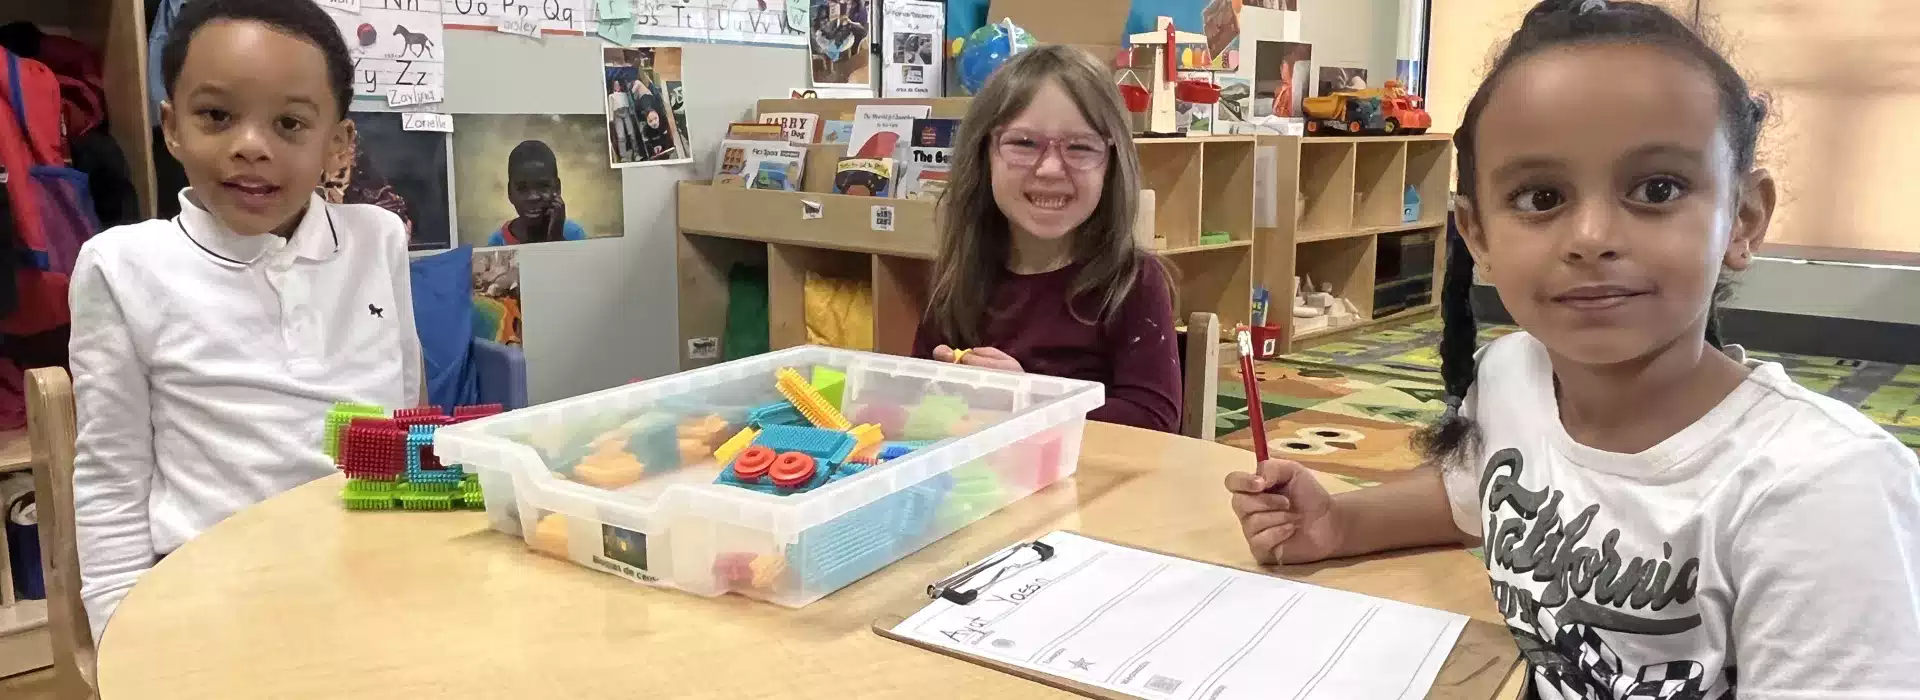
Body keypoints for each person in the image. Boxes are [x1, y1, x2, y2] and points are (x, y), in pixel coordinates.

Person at [1227, 1, 1920, 697]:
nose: (1591, 235)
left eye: (1657, 189)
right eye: (1541, 197)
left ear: (1742, 218)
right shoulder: (1511, 373)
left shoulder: (1825, 490)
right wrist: (1338, 521)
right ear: (1479, 237)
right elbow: (1475, 497)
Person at [70, 0, 423, 643]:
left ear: (338, 144)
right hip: (213, 596)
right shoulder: (122, 265)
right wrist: (122, 637)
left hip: (372, 574)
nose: (250, 147)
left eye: (290, 123)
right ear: (172, 127)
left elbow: (405, 410)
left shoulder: (378, 238)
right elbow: (111, 479)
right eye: (217, 116)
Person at [911, 45, 1181, 434]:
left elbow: (1153, 423)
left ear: (1112, 164)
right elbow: (917, 398)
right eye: (1023, 143)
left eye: (1080, 147)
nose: (1051, 168)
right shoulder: (958, 274)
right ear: (984, 153)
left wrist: (1029, 400)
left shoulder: (1132, 282)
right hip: (982, 485)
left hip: (1091, 488)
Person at [486, 139, 588, 246]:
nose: (533, 197)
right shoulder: (498, 242)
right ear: (510, 192)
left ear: (557, 188)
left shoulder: (574, 234)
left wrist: (556, 237)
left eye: (543, 186)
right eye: (522, 188)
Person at [606, 78, 637, 162]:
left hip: (626, 112)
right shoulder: (611, 96)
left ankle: (636, 152)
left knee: (631, 133)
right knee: (621, 136)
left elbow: (629, 104)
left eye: (618, 84)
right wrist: (611, 118)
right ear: (613, 86)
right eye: (615, 85)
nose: (617, 86)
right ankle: (623, 156)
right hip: (617, 114)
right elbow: (611, 107)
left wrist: (631, 113)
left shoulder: (624, 94)